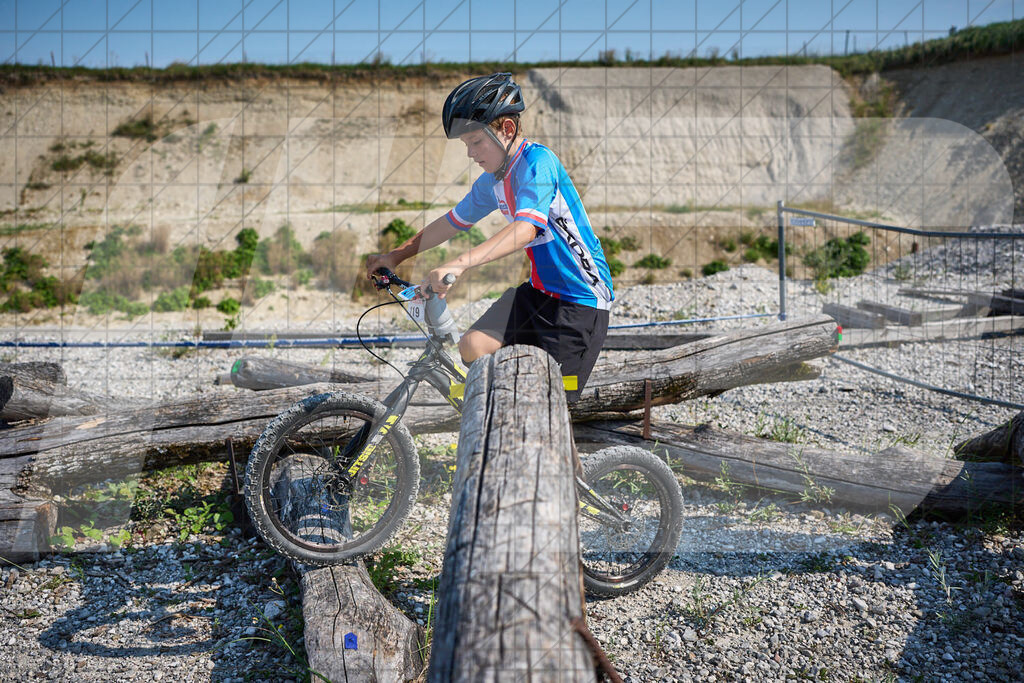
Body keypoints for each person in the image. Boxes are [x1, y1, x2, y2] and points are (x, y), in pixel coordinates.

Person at [365, 72, 615, 405]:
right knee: (472, 346)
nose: (470, 153)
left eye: (475, 142)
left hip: (580, 303)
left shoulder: (538, 163)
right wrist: (395, 256)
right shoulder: (493, 180)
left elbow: (526, 228)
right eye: (466, 145)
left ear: (507, 130)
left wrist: (460, 263)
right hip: (539, 293)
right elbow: (451, 222)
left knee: (546, 410)